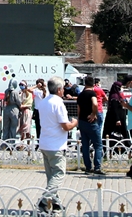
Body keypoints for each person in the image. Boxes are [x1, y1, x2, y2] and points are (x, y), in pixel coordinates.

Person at [33, 76, 79, 214]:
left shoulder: (44, 102)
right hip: (56, 145)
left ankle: (56, 203)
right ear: (59, 90)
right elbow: (65, 126)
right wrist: (75, 123)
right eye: (63, 88)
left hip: (45, 142)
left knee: (51, 177)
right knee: (58, 174)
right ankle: (43, 201)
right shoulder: (58, 103)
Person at [77, 75, 103, 175]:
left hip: (82, 122)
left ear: (85, 83)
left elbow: (78, 109)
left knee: (85, 146)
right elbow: (95, 104)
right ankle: (97, 167)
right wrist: (94, 114)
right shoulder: (92, 93)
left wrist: (79, 121)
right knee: (98, 145)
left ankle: (88, 167)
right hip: (91, 122)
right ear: (93, 84)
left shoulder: (81, 94)